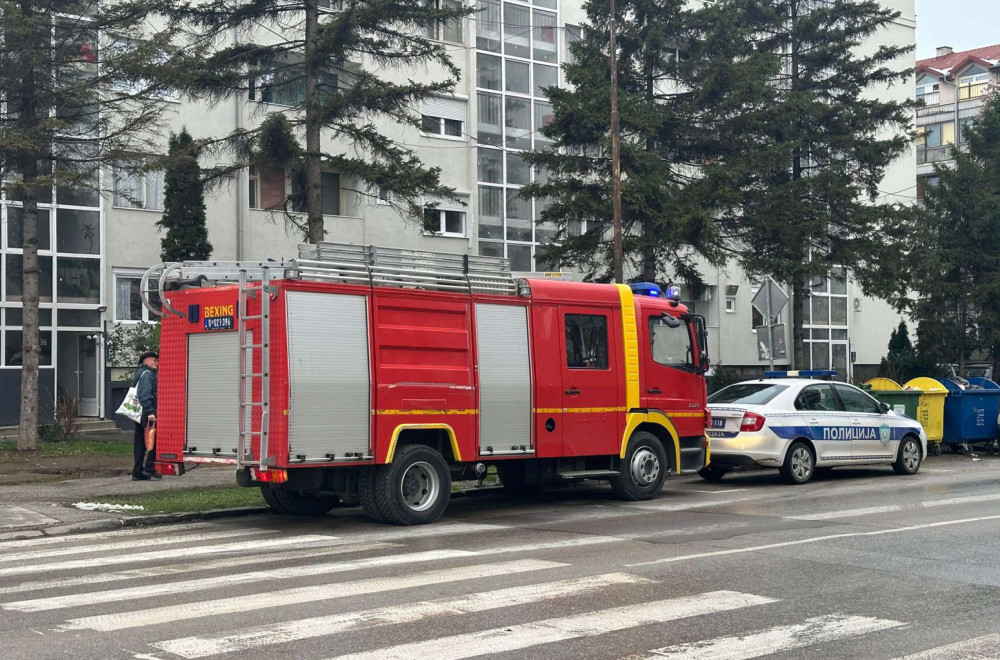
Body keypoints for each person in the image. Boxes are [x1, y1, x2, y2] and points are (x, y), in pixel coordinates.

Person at [132, 351, 159, 481]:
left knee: (140, 443)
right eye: (154, 360)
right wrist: (150, 413)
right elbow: (145, 394)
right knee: (157, 439)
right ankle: (150, 469)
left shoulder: (140, 373)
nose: (156, 363)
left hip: (138, 414)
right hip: (146, 414)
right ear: (146, 361)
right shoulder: (147, 374)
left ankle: (137, 472)